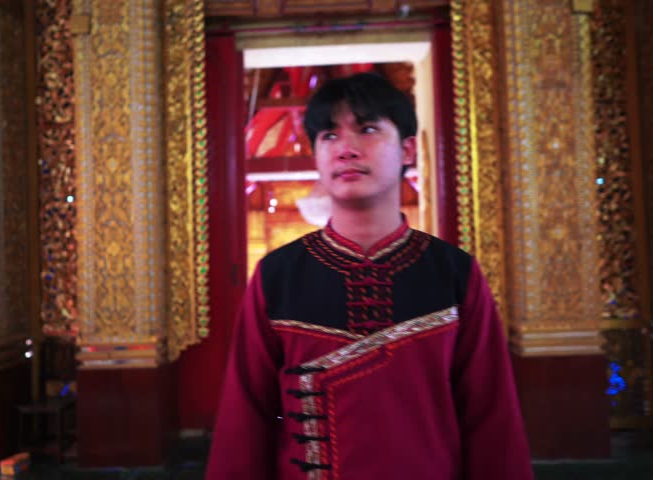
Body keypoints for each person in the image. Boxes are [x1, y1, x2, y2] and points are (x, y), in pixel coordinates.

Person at [205, 72, 533, 479]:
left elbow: (491, 418)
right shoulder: (278, 275)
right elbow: (245, 421)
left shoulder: (453, 272)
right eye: (329, 135)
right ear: (316, 157)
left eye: (368, 129)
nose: (346, 149)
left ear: (408, 149)